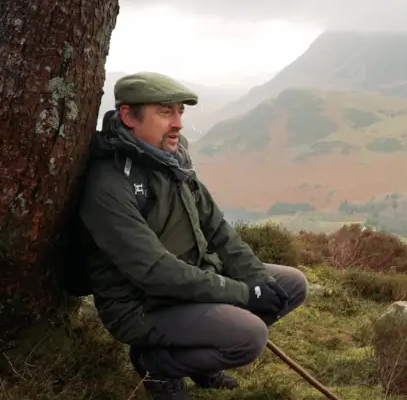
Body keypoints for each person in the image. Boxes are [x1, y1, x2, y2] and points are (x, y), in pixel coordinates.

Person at [73, 72, 309, 399]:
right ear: (128, 116)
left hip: (193, 279)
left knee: (290, 284)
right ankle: (158, 364)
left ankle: (196, 358)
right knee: (250, 337)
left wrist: (257, 280)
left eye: (180, 111)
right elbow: (154, 271)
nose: (178, 123)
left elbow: (216, 225)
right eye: (165, 112)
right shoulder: (109, 184)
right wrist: (244, 293)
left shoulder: (174, 157)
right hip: (145, 305)